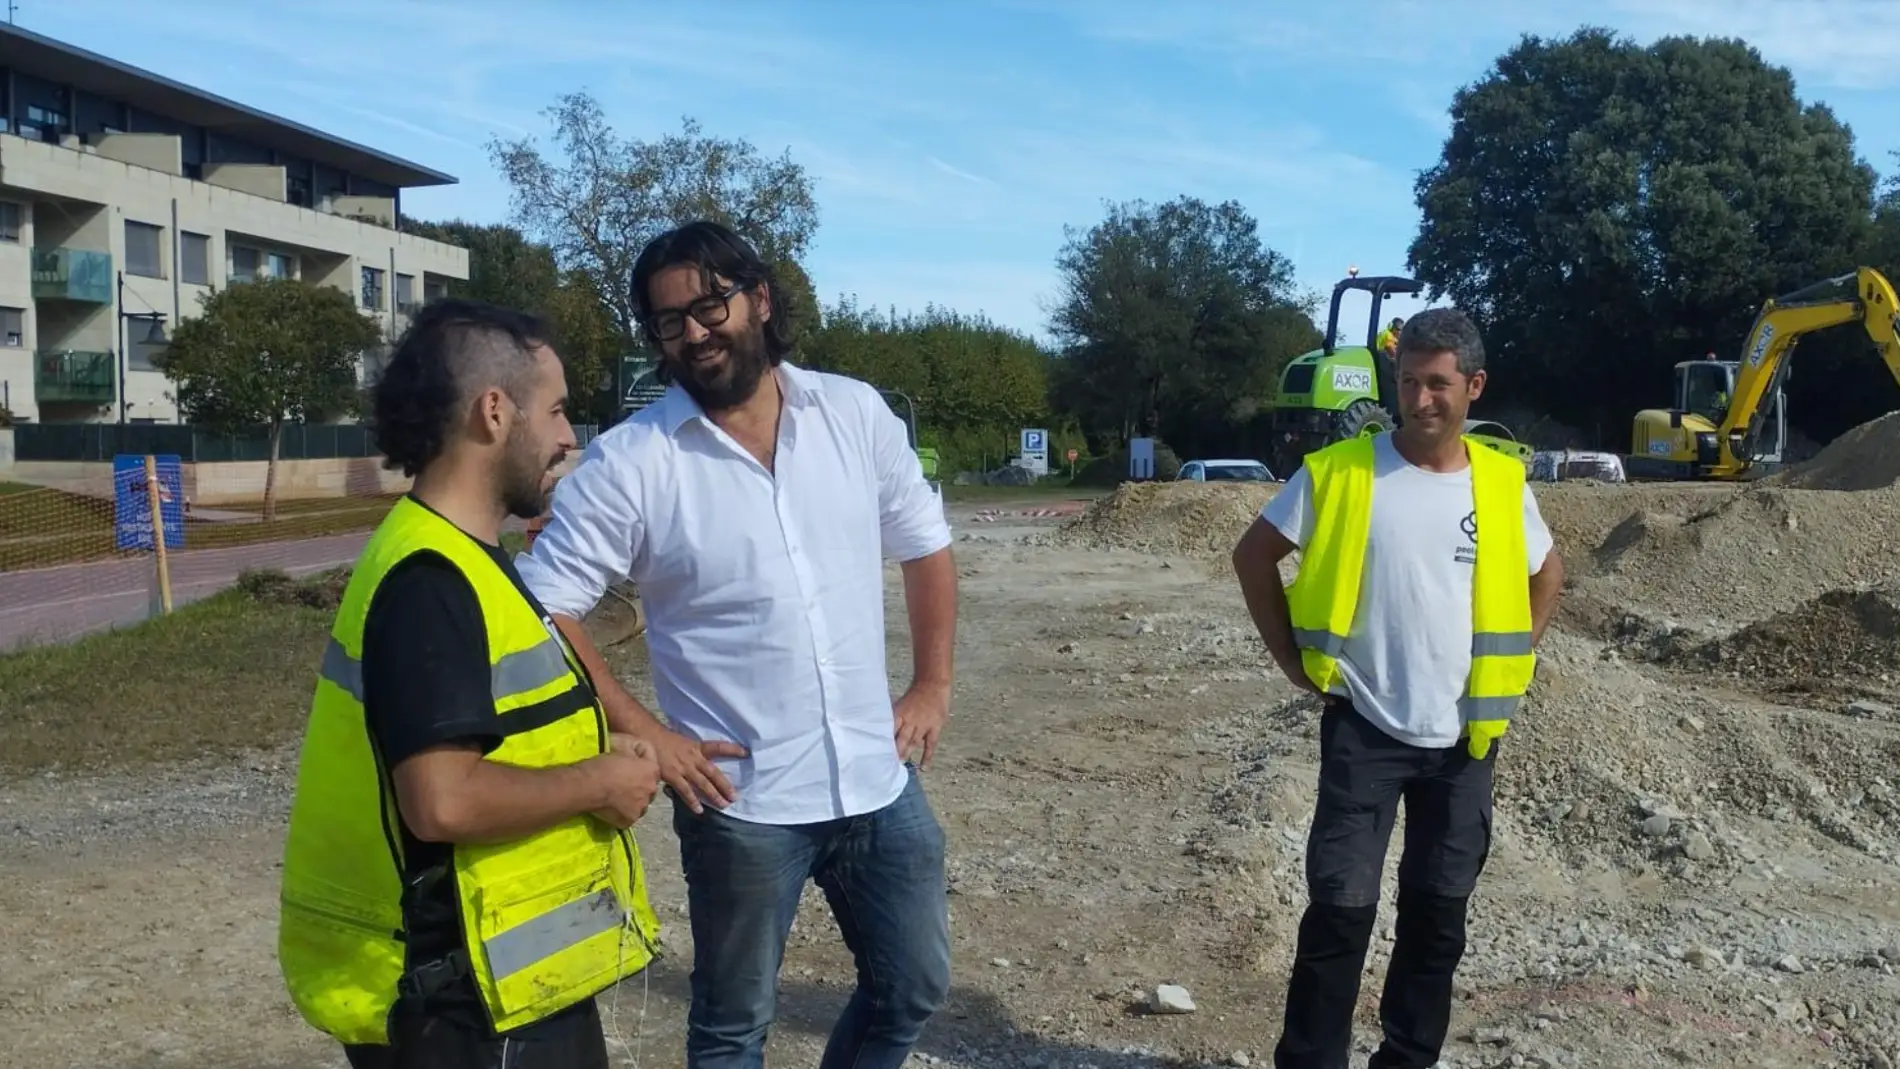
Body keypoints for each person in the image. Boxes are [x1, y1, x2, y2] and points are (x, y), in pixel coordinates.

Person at [514, 219, 959, 1069]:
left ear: (757, 299)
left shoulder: (853, 414)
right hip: (742, 803)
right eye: (668, 322)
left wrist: (932, 683)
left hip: (875, 774)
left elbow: (925, 544)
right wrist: (644, 728)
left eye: (708, 305)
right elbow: (543, 606)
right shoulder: (633, 463)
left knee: (912, 986)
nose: (693, 332)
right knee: (731, 1029)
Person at [276, 299, 668, 1069]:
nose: (566, 437)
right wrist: (599, 782)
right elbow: (442, 798)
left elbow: (498, 730)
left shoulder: (464, 558)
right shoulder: (431, 580)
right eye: (555, 410)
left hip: (502, 985)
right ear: (495, 411)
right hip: (465, 1006)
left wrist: (599, 743)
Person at [1230, 307, 1565, 1069]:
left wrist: (1512, 663)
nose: (1420, 400)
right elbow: (1253, 557)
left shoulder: (1504, 484)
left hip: (1464, 743)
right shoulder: (1342, 472)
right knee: (1340, 917)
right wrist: (1291, 661)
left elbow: (1547, 573)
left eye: (1438, 384)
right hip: (1364, 731)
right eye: (1409, 381)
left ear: (1474, 387)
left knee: (1436, 921)